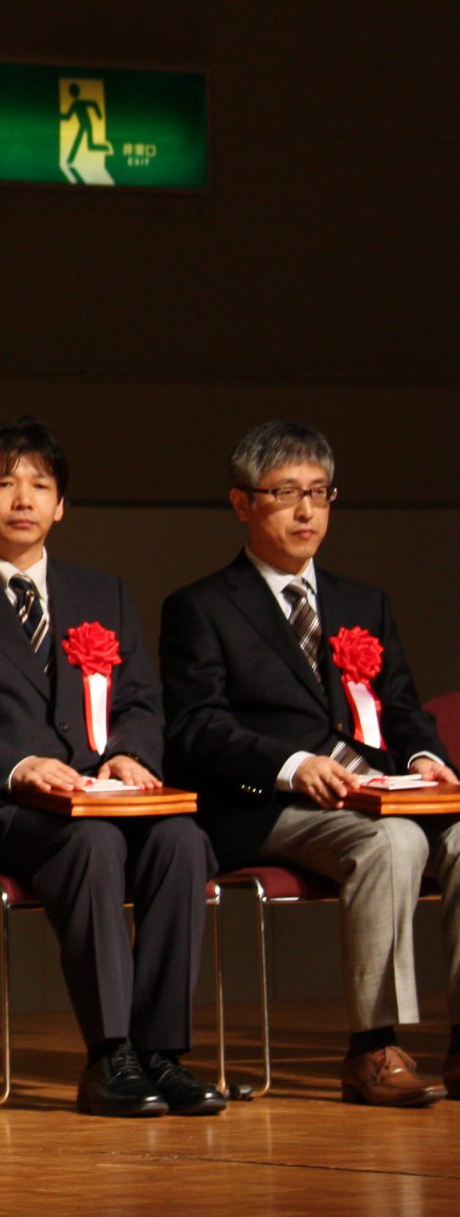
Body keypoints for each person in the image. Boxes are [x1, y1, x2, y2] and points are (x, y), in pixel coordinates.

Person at [0, 418, 222, 1119]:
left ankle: (161, 1053)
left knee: (183, 840)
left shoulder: (105, 593)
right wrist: (20, 764)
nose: (24, 498)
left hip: (100, 795)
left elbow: (140, 700)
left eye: (40, 485)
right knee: (91, 844)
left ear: (61, 505)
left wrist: (131, 753)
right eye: (6, 482)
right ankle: (110, 1056)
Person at [161, 421, 460, 1106]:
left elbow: (406, 706)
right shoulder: (202, 606)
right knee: (392, 840)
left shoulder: (363, 601)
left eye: (319, 494)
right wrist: (294, 765)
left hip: (382, 789)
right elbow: (197, 728)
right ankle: (372, 1048)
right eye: (286, 493)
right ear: (243, 503)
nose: (305, 511)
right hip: (269, 804)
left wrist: (424, 757)